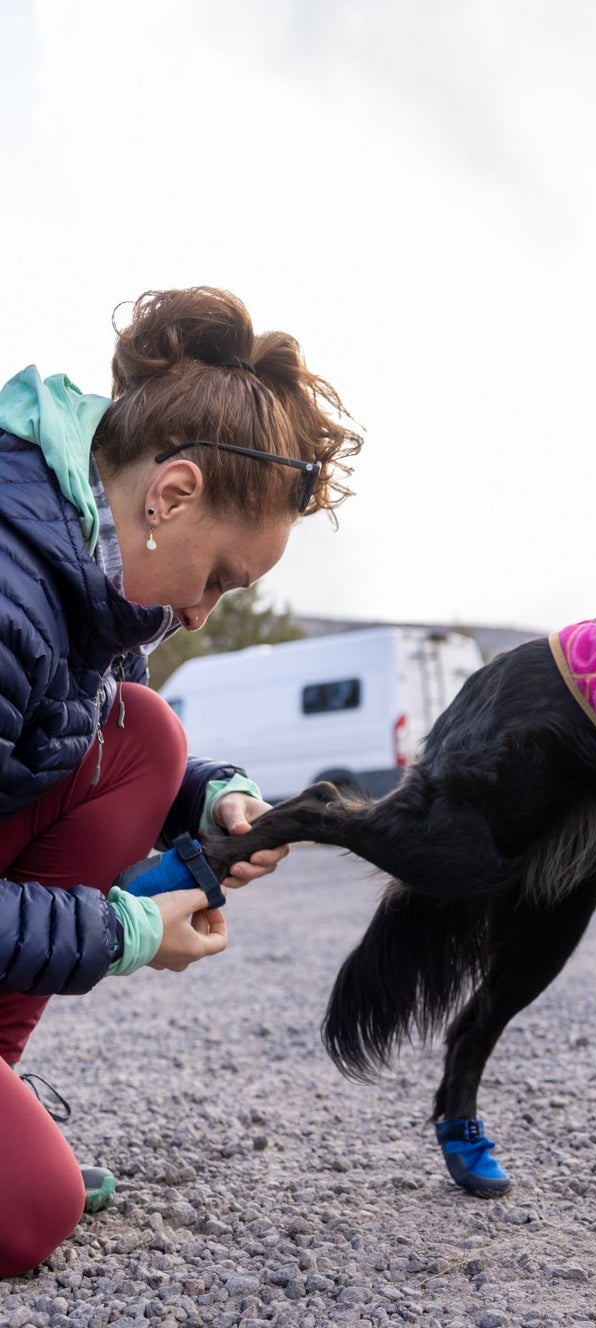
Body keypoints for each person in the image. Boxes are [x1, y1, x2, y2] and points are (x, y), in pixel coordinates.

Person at [0, 287, 360, 1277]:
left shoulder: (92, 573)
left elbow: (92, 740)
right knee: (31, 1215)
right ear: (172, 494)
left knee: (147, 733)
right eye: (220, 578)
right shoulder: (9, 590)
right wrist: (125, 934)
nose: (204, 614)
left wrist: (214, 799)